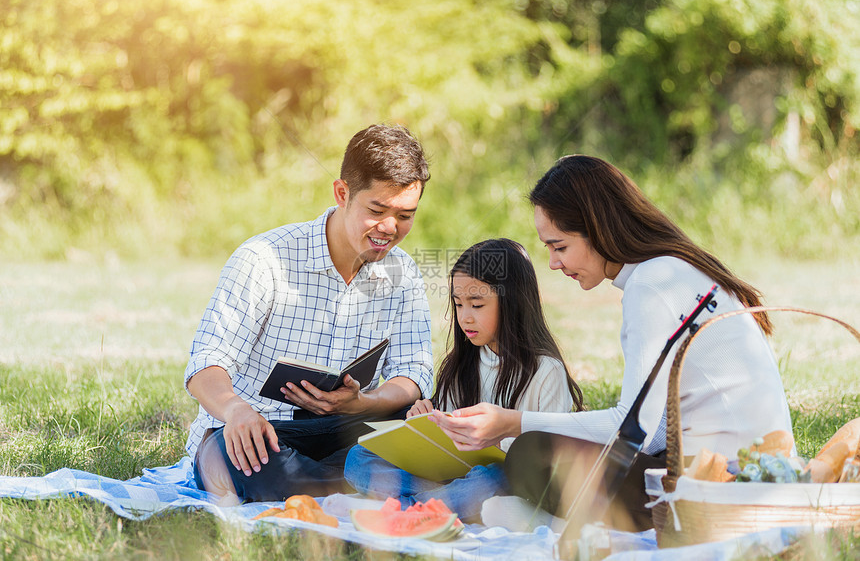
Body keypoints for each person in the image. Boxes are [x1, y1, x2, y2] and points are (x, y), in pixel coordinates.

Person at [429, 155, 793, 531]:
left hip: (720, 482)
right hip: (744, 468)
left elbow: (634, 430)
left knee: (531, 453)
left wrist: (513, 423)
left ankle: (553, 524)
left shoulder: (652, 285)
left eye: (560, 247)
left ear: (597, 229)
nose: (553, 263)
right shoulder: (670, 269)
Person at [184, 124, 435, 504]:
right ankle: (373, 486)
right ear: (342, 193)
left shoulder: (403, 271)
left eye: (405, 215)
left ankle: (346, 485)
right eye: (377, 210)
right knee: (232, 458)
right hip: (264, 429)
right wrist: (236, 409)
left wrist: (365, 403)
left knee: (429, 426)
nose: (390, 228)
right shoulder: (263, 259)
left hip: (348, 427)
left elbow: (413, 371)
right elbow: (205, 365)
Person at [343, 238, 584, 521]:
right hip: (450, 474)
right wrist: (425, 419)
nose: (465, 317)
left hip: (507, 477)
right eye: (458, 304)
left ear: (514, 302)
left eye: (477, 305)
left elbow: (549, 458)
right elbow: (445, 433)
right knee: (358, 458)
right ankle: (437, 505)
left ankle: (419, 508)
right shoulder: (462, 364)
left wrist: (492, 443)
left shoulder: (546, 371)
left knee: (491, 477)